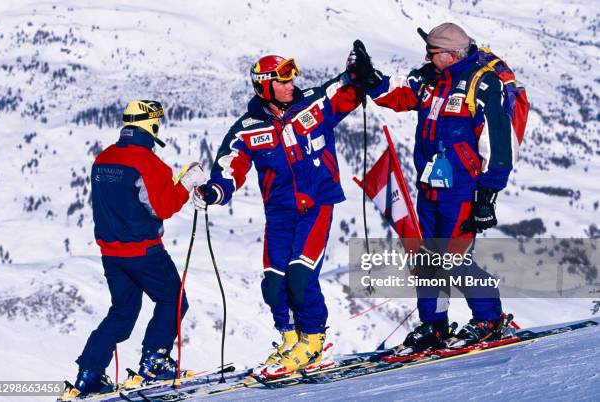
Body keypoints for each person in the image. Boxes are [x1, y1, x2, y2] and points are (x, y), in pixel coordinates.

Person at [193, 55, 364, 377]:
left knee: (300, 277)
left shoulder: (315, 104)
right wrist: (215, 190)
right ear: (264, 86)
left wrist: (356, 73)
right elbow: (230, 166)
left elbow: (347, 92)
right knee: (273, 283)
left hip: (317, 205)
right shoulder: (247, 129)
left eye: (291, 80)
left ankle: (313, 342)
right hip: (281, 213)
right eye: (282, 81)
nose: (290, 86)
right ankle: (290, 339)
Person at [348, 23, 514, 352]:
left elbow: (498, 143)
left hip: (462, 190)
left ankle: (489, 319)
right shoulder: (429, 79)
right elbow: (397, 95)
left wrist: (487, 196)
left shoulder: (482, 85)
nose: (426, 56)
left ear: (452, 55)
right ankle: (434, 325)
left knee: (454, 259)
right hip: (430, 185)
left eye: (433, 53)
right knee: (427, 259)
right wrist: (370, 78)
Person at [70, 100, 206, 397]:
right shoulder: (148, 162)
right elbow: (164, 206)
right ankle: (154, 361)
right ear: (152, 125)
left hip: (111, 254)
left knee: (122, 312)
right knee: (174, 300)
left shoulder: (103, 159)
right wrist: (186, 183)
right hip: (144, 252)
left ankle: (89, 373)